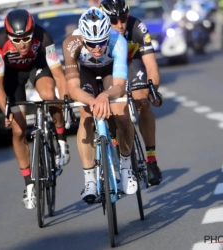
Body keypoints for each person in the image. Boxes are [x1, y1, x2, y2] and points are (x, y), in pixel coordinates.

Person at [0, 9, 70, 209]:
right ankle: (29, 184)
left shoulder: (43, 37)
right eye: (16, 40)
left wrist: (65, 100)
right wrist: (6, 110)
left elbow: (59, 76)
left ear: (32, 32)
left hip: (37, 67)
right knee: (18, 130)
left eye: (26, 38)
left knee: (50, 96)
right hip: (11, 76)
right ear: (8, 36)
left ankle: (60, 139)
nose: (22, 44)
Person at [62, 7, 137, 204]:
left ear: (107, 36)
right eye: (92, 44)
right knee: (86, 117)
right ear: (83, 38)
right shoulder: (71, 43)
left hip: (110, 71)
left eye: (102, 43)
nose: (97, 48)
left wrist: (104, 95)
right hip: (85, 71)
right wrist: (91, 100)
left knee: (121, 113)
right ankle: (90, 181)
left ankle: (127, 167)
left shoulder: (117, 41)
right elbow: (73, 88)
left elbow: (119, 87)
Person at [100, 0, 163, 186]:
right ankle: (117, 148)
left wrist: (153, 90)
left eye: (123, 19)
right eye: (114, 20)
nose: (119, 25)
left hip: (131, 65)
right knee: (113, 112)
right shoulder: (98, 32)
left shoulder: (138, 27)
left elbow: (151, 66)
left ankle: (151, 161)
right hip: (110, 69)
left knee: (143, 102)